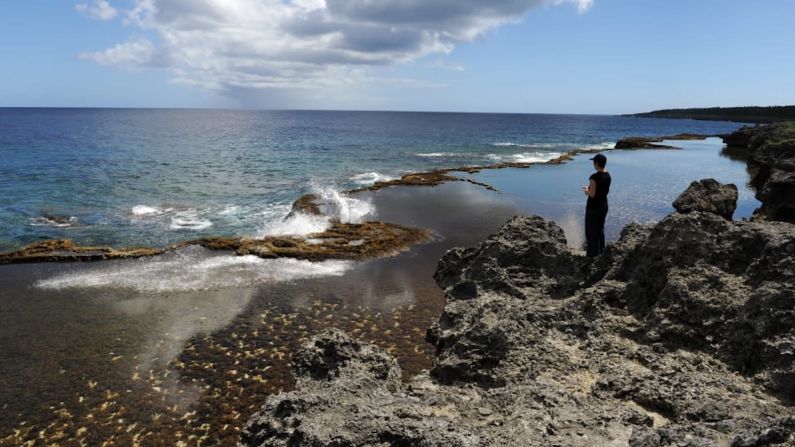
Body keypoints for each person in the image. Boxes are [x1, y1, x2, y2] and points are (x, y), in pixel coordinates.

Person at [583, 153, 611, 257]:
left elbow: (592, 194)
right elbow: (603, 190)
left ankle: (592, 257)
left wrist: (587, 190)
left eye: (594, 162)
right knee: (600, 230)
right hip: (604, 205)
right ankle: (601, 253)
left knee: (591, 233)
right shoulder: (608, 175)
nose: (593, 164)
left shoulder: (594, 177)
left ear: (596, 163)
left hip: (593, 207)